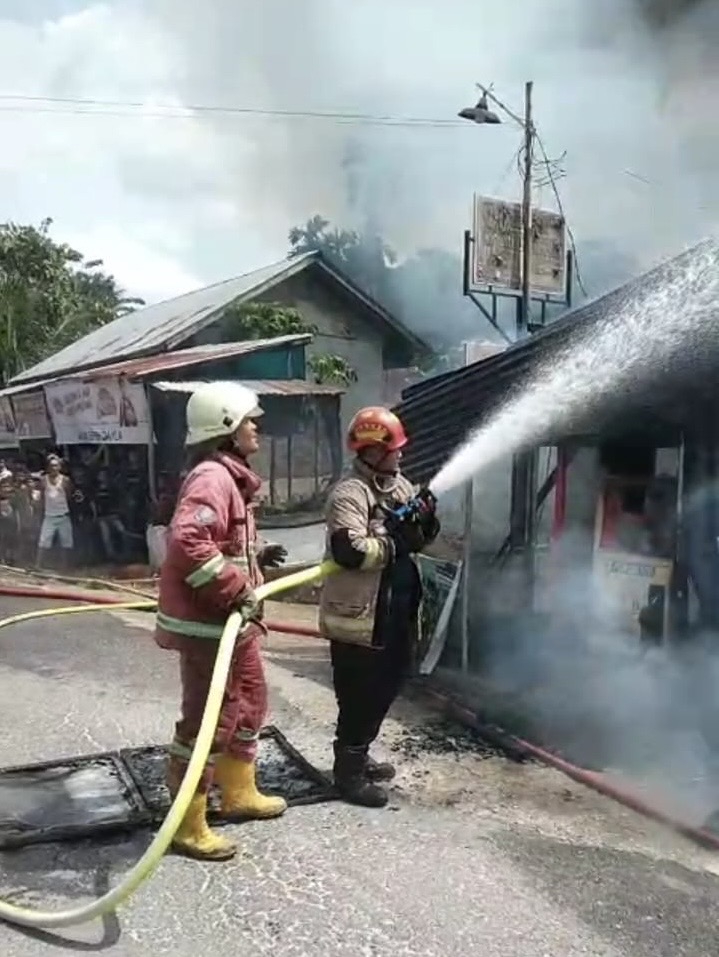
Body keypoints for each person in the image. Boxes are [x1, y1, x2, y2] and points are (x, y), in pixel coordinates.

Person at [154, 382, 289, 861]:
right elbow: (189, 543)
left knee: (251, 700)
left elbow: (222, 542)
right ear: (228, 426)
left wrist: (257, 555)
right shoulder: (212, 477)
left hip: (233, 621)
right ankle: (188, 822)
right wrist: (237, 587)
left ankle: (238, 792)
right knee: (211, 718)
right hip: (209, 625)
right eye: (251, 420)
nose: (258, 427)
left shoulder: (232, 477)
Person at [319, 406, 440, 808]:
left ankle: (360, 751)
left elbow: (418, 540)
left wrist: (425, 521)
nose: (401, 455)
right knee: (359, 693)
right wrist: (395, 543)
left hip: (395, 611)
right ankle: (348, 774)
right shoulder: (349, 493)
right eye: (395, 449)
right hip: (360, 616)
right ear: (372, 451)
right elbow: (350, 551)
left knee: (390, 683)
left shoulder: (399, 486)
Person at [37, 454, 74, 568]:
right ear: (47, 467)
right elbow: (41, 497)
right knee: (43, 542)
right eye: (51, 466)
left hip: (63, 515)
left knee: (66, 543)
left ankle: (65, 567)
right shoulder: (43, 480)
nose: (54, 468)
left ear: (60, 467)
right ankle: (38, 566)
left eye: (56, 466)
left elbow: (69, 496)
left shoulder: (66, 480)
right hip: (49, 516)